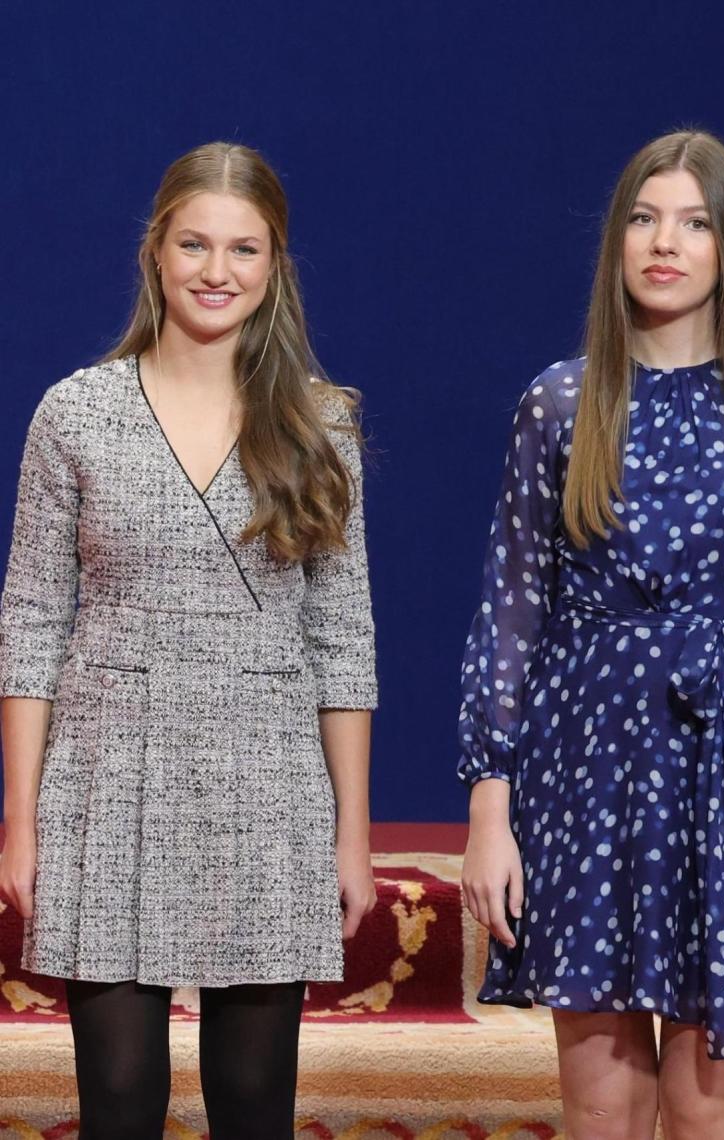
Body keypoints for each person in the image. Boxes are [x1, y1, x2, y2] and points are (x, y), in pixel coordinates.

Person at [458, 130, 724, 1140]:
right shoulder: (560, 402)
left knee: (709, 1107)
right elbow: (511, 613)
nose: (663, 242)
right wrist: (489, 810)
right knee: (603, 1106)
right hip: (587, 762)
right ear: (615, 243)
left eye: (692, 221)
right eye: (642, 218)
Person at [0, 141, 377, 1140]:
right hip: (107, 772)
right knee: (119, 1103)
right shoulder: (76, 412)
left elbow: (343, 639)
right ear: (155, 254)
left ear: (275, 265)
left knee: (254, 1106)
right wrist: (22, 818)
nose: (217, 270)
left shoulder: (317, 423)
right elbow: (32, 622)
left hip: (267, 777)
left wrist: (350, 834)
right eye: (195, 244)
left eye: (243, 249)